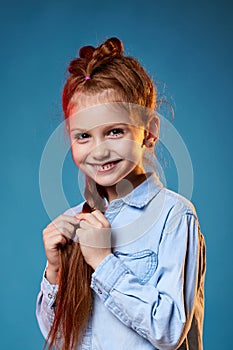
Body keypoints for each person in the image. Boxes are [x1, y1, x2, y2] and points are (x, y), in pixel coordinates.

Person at [36, 37, 206, 350]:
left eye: (115, 131)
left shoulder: (173, 216)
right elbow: (59, 337)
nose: (99, 151)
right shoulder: (75, 220)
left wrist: (103, 261)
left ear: (150, 131)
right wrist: (55, 272)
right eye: (84, 136)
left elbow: (169, 331)